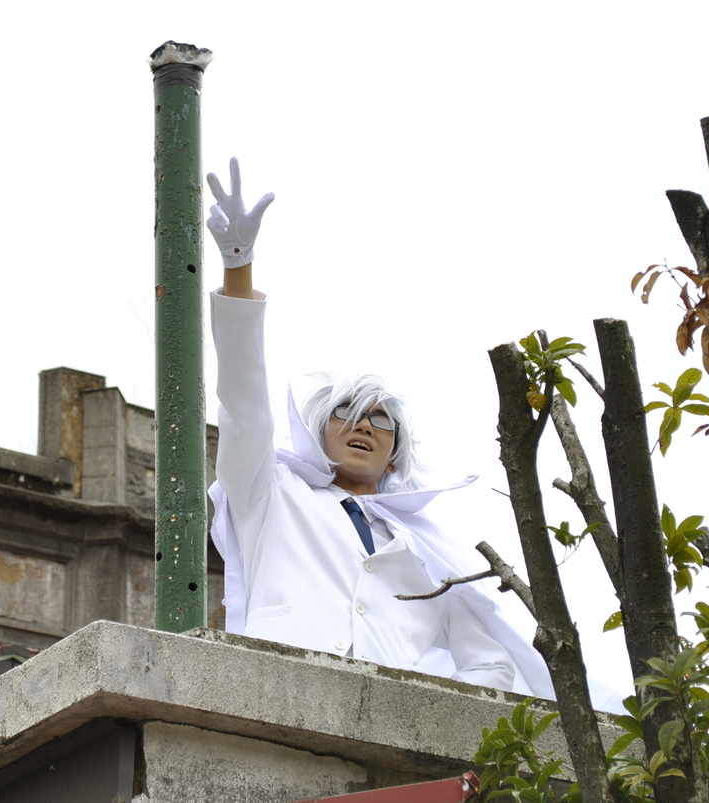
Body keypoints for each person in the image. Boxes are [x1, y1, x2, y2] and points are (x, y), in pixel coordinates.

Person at [205, 157, 552, 696]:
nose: (363, 425)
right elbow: (243, 403)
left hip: (388, 723)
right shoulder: (270, 491)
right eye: (346, 412)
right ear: (318, 433)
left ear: (395, 456)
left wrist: (435, 724)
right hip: (277, 696)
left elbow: (489, 663)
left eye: (381, 419)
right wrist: (238, 268)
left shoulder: (428, 549)